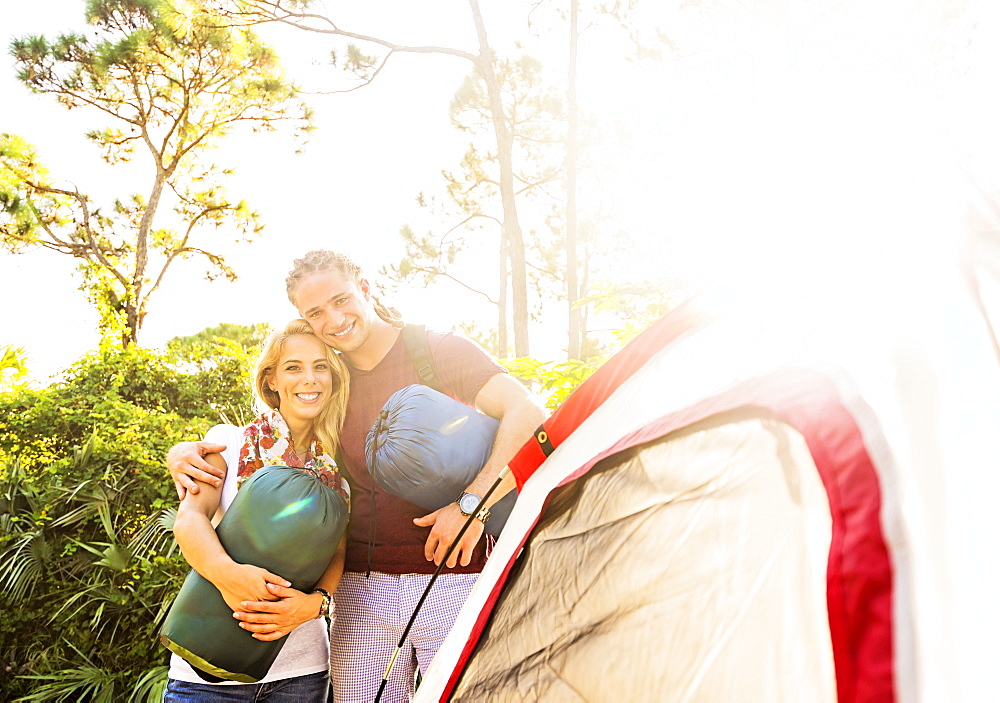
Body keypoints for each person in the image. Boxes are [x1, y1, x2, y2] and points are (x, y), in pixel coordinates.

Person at [168, 249, 547, 702]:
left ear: (365, 288)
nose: (334, 318)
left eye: (341, 299)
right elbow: (278, 436)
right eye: (316, 312)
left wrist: (473, 505)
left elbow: (529, 413)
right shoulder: (328, 379)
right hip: (358, 595)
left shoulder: (435, 350)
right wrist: (188, 451)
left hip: (453, 577)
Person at [164, 320, 351, 702]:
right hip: (206, 675)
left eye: (320, 367)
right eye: (294, 367)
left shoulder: (336, 477)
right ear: (271, 380)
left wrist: (316, 604)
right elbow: (191, 519)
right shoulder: (228, 444)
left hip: (302, 674)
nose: (310, 379)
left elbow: (337, 554)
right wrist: (229, 575)